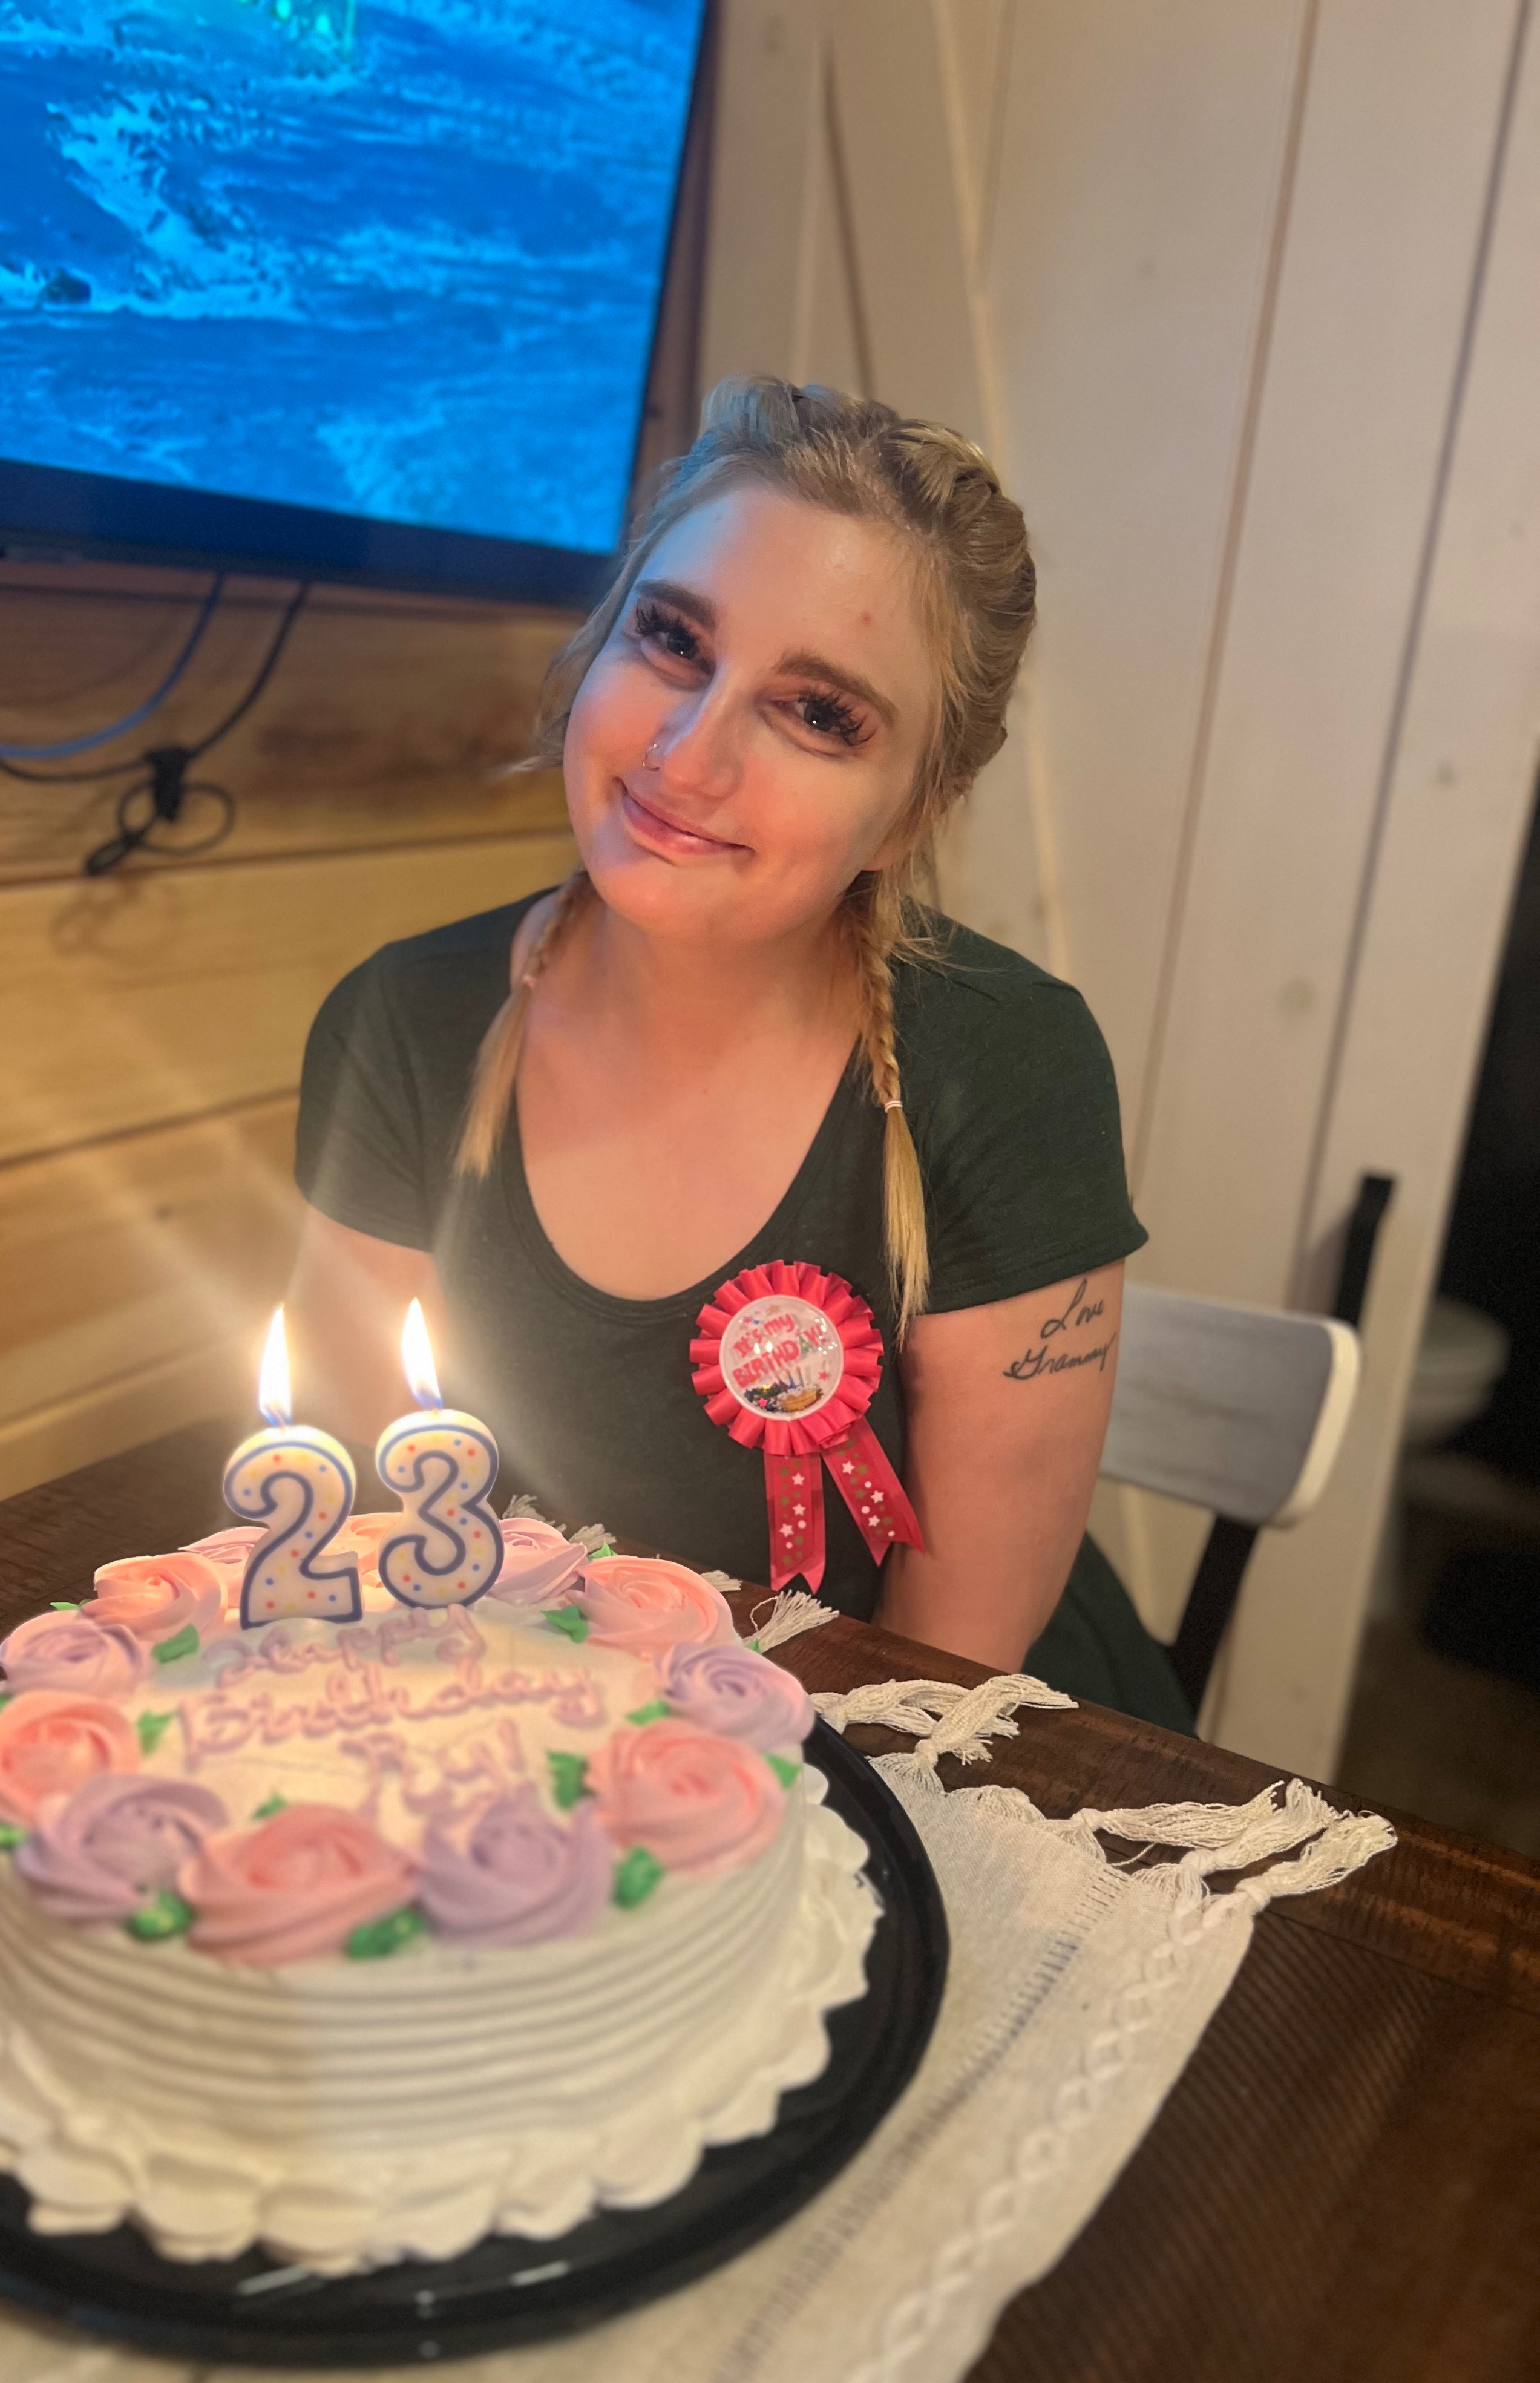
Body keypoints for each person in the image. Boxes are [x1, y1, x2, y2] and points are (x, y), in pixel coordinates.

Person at [287, 378, 1191, 1730]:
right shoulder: (400, 1025)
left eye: (819, 714)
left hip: (909, 1754)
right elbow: (358, 1537)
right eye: (671, 639)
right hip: (529, 1736)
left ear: (911, 815)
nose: (687, 753)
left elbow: (938, 1686)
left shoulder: (1011, 1065)